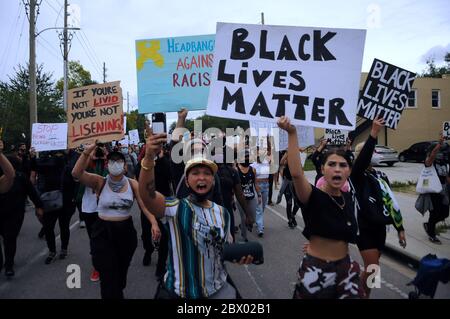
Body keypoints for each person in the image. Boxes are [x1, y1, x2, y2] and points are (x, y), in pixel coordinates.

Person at [138, 129, 253, 299]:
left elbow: (222, 249)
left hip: (217, 290)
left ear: (214, 180)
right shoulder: (174, 208)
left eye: (207, 173)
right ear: (186, 180)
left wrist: (238, 256)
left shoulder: (223, 214)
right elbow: (148, 197)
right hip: (179, 293)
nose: (202, 178)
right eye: (195, 173)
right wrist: (148, 158)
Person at [278, 116, 368, 299]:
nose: (337, 169)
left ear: (348, 171)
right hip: (315, 270)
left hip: (346, 269)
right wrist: (292, 133)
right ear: (322, 169)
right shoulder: (312, 196)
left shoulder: (348, 198)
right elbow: (296, 173)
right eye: (332, 164)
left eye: (343, 165)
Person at [72, 144, 160, 299]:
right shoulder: (100, 182)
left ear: (125, 166)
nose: (115, 164)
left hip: (125, 233)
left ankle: (117, 288)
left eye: (119, 161)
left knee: (120, 272)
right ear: (107, 165)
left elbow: (144, 205)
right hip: (102, 233)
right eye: (111, 161)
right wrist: (87, 151)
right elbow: (77, 173)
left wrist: (153, 222)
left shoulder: (132, 184)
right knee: (107, 276)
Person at [353, 140, 406, 298]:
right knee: (372, 267)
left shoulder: (381, 175)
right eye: (366, 153)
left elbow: (390, 201)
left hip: (380, 227)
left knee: (372, 271)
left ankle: (363, 293)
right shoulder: (356, 175)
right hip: (364, 228)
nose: (370, 155)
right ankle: (359, 294)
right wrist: (373, 134)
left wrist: (400, 228)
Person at [0, 156, 44, 277]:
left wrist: (38, 206)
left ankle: (9, 264)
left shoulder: (20, 178)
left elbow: (32, 192)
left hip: (14, 214)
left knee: (10, 239)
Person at [31, 150, 73, 263]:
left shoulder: (67, 166)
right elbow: (34, 166)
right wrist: (32, 156)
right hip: (49, 201)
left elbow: (74, 183)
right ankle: (52, 251)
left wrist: (72, 201)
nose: (57, 157)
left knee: (64, 226)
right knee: (48, 227)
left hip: (65, 202)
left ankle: (64, 249)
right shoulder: (45, 166)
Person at [136, 146, 170, 280]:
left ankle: (161, 265)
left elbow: (170, 175)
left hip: (164, 204)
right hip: (147, 205)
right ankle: (148, 250)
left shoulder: (164, 162)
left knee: (164, 237)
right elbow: (139, 185)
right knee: (145, 235)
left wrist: (161, 159)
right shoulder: (141, 165)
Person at [423, 134, 450, 244]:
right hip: (433, 191)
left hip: (443, 191)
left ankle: (429, 225)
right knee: (434, 213)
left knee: (445, 214)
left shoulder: (445, 164)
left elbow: (447, 177)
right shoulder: (430, 162)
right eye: (440, 152)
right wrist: (438, 145)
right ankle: (431, 234)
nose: (441, 155)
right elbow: (432, 156)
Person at [236, 150, 258, 242]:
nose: (247, 159)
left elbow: (255, 184)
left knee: (252, 219)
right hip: (241, 199)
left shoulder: (253, 169)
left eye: (248, 157)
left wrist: (259, 195)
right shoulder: (236, 170)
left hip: (252, 197)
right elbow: (235, 186)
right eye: (245, 157)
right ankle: (244, 237)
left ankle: (243, 225)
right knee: (244, 217)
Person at [252, 148, 271, 237]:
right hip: (257, 186)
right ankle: (260, 228)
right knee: (259, 207)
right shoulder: (253, 165)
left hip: (266, 185)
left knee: (263, 206)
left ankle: (258, 220)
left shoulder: (267, 162)